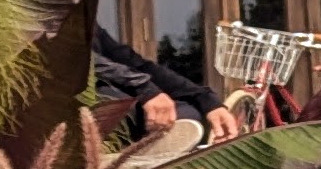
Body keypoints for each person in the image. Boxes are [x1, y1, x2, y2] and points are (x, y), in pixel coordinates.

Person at [93, 26, 240, 146]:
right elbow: (89, 61)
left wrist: (204, 99)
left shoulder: (88, 20)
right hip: (90, 104)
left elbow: (137, 64)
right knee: (173, 120)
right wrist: (145, 90)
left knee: (193, 114)